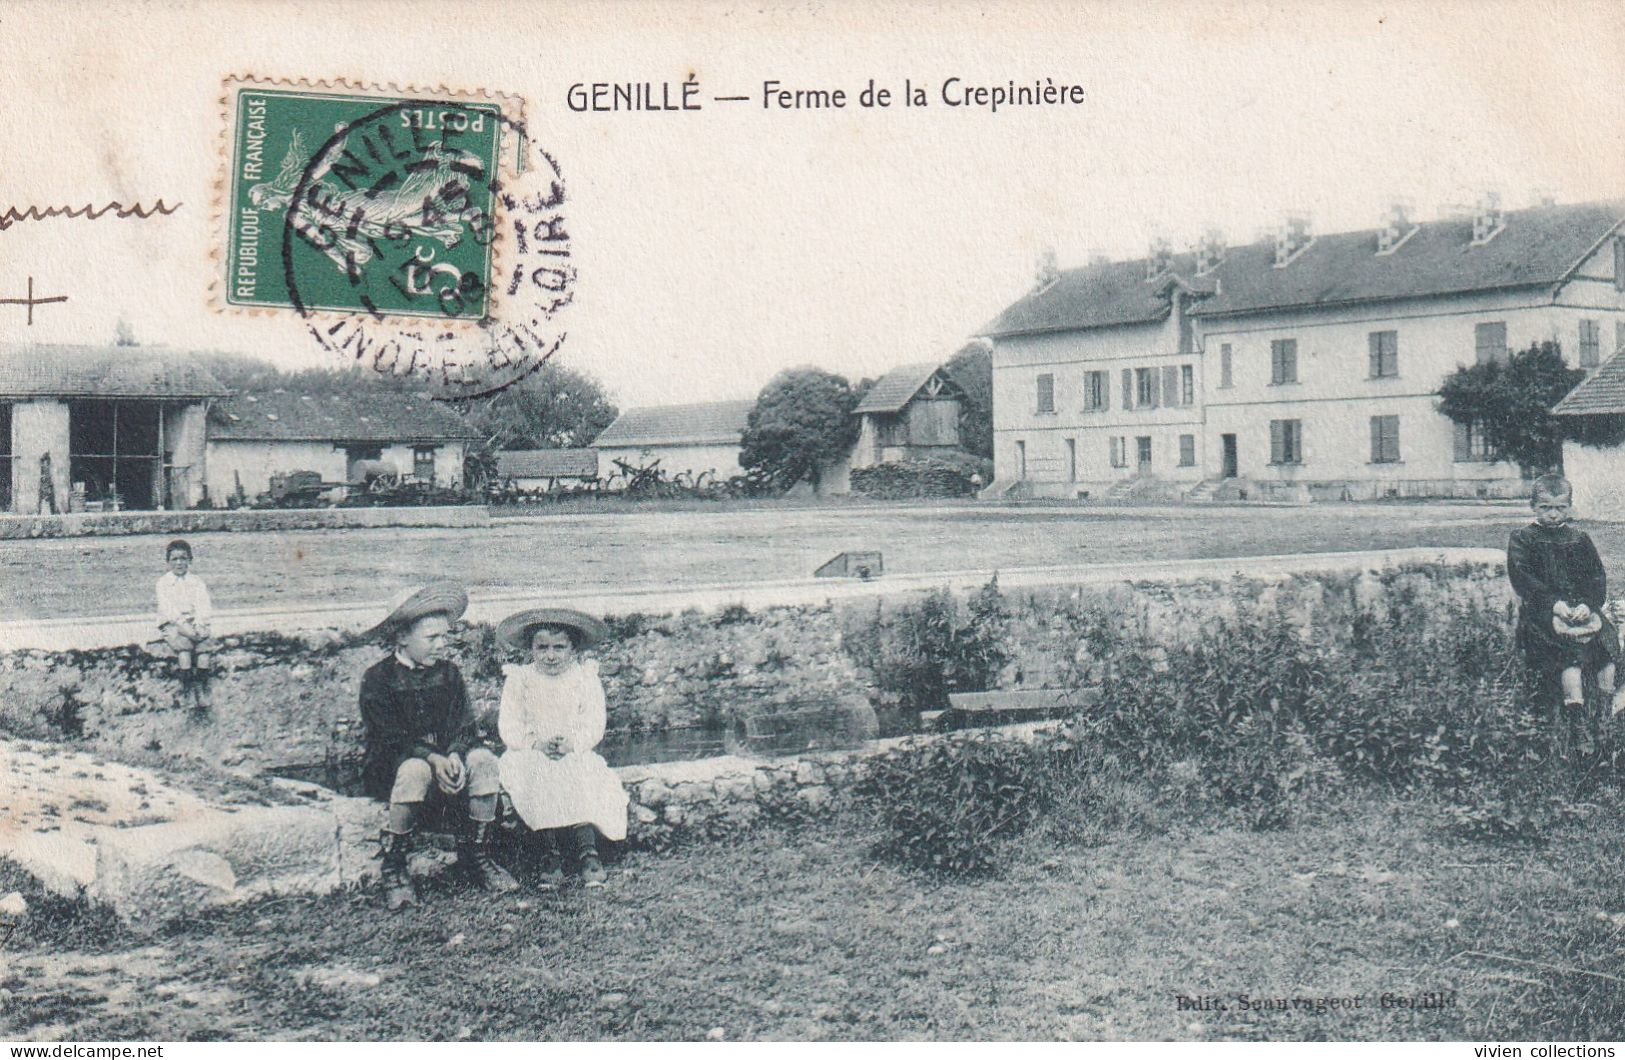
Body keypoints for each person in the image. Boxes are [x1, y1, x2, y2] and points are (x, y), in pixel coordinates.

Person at [359, 581, 518, 909]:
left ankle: (476, 856)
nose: (441, 645)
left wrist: (457, 755)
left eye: (444, 636)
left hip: (446, 763)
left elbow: (463, 726)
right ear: (403, 638)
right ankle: (396, 866)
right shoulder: (378, 678)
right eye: (431, 638)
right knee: (415, 768)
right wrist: (433, 758)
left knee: (485, 760)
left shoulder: (449, 674)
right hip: (397, 767)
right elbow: (389, 739)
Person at [495, 608, 628, 889]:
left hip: (573, 748)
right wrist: (535, 744)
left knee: (581, 770)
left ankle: (587, 850)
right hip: (530, 751)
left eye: (559, 647)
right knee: (536, 771)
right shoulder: (520, 679)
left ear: (573, 648)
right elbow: (508, 726)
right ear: (530, 648)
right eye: (541, 648)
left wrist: (573, 743)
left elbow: (594, 723)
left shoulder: (584, 678)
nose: (550, 656)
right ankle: (550, 852)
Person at [1507, 474, 1619, 755]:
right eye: (1545, 507)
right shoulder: (1523, 539)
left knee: (1606, 651)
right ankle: (1578, 721)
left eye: (1560, 507)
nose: (1553, 514)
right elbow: (1523, 578)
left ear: (1569, 507)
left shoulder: (1579, 539)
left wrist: (1588, 605)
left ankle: (1603, 718)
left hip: (1580, 609)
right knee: (1571, 660)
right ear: (1532, 506)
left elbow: (1595, 577)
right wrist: (1554, 605)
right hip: (1543, 612)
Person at [155, 539, 216, 707]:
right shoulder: (163, 583)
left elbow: (203, 603)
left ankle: (202, 689)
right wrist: (184, 626)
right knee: (184, 650)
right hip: (173, 623)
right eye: (174, 559)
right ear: (168, 562)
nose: (179, 562)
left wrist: (199, 623)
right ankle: (187, 690)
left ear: (190, 560)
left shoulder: (196, 581)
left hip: (194, 622)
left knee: (204, 650)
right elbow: (169, 609)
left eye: (183, 558)